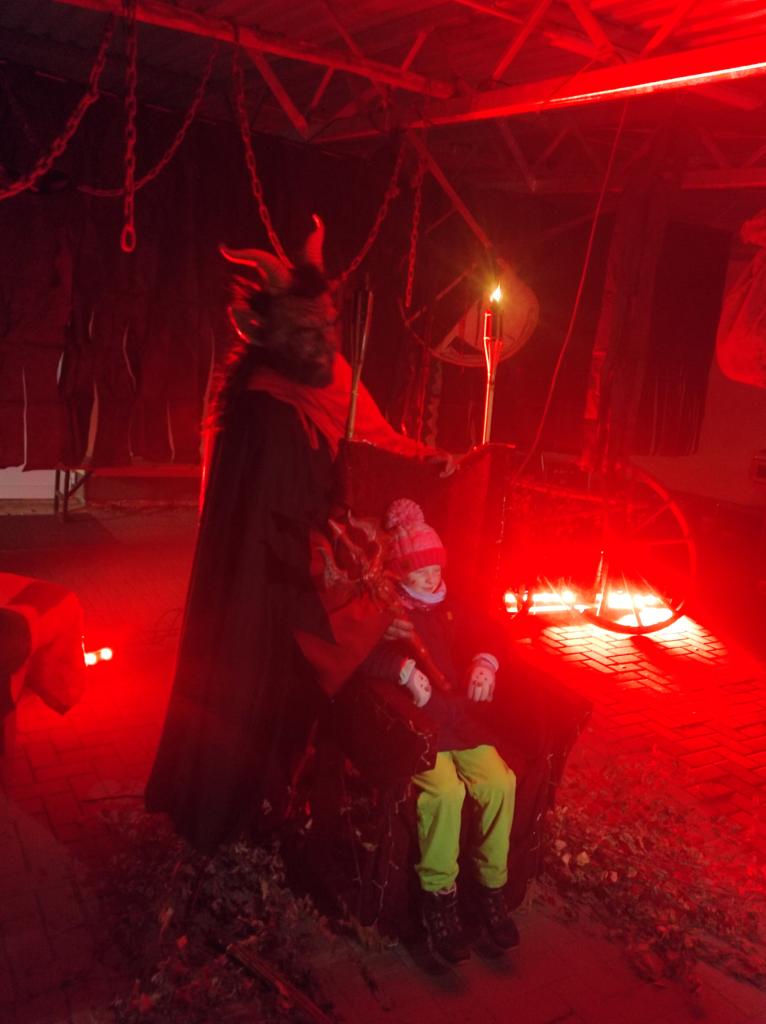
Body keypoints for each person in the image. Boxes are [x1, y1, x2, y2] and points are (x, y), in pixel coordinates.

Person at [144, 217, 452, 852]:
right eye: (307, 332)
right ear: (272, 332)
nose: (321, 343)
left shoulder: (329, 377)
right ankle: (228, 805)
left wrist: (430, 459)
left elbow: (374, 433)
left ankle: (282, 792)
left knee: (296, 687)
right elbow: (257, 511)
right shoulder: (258, 406)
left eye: (327, 328)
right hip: (261, 579)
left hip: (298, 567)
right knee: (244, 682)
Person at [361, 497, 519, 963]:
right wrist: (402, 668)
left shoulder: (450, 604)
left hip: (459, 719)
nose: (432, 578)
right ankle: (439, 900)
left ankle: (491, 888)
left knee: (500, 781)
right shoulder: (388, 610)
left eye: (436, 568)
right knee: (446, 793)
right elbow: (363, 655)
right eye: (422, 571)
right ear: (401, 571)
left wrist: (485, 662)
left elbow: (487, 631)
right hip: (418, 726)